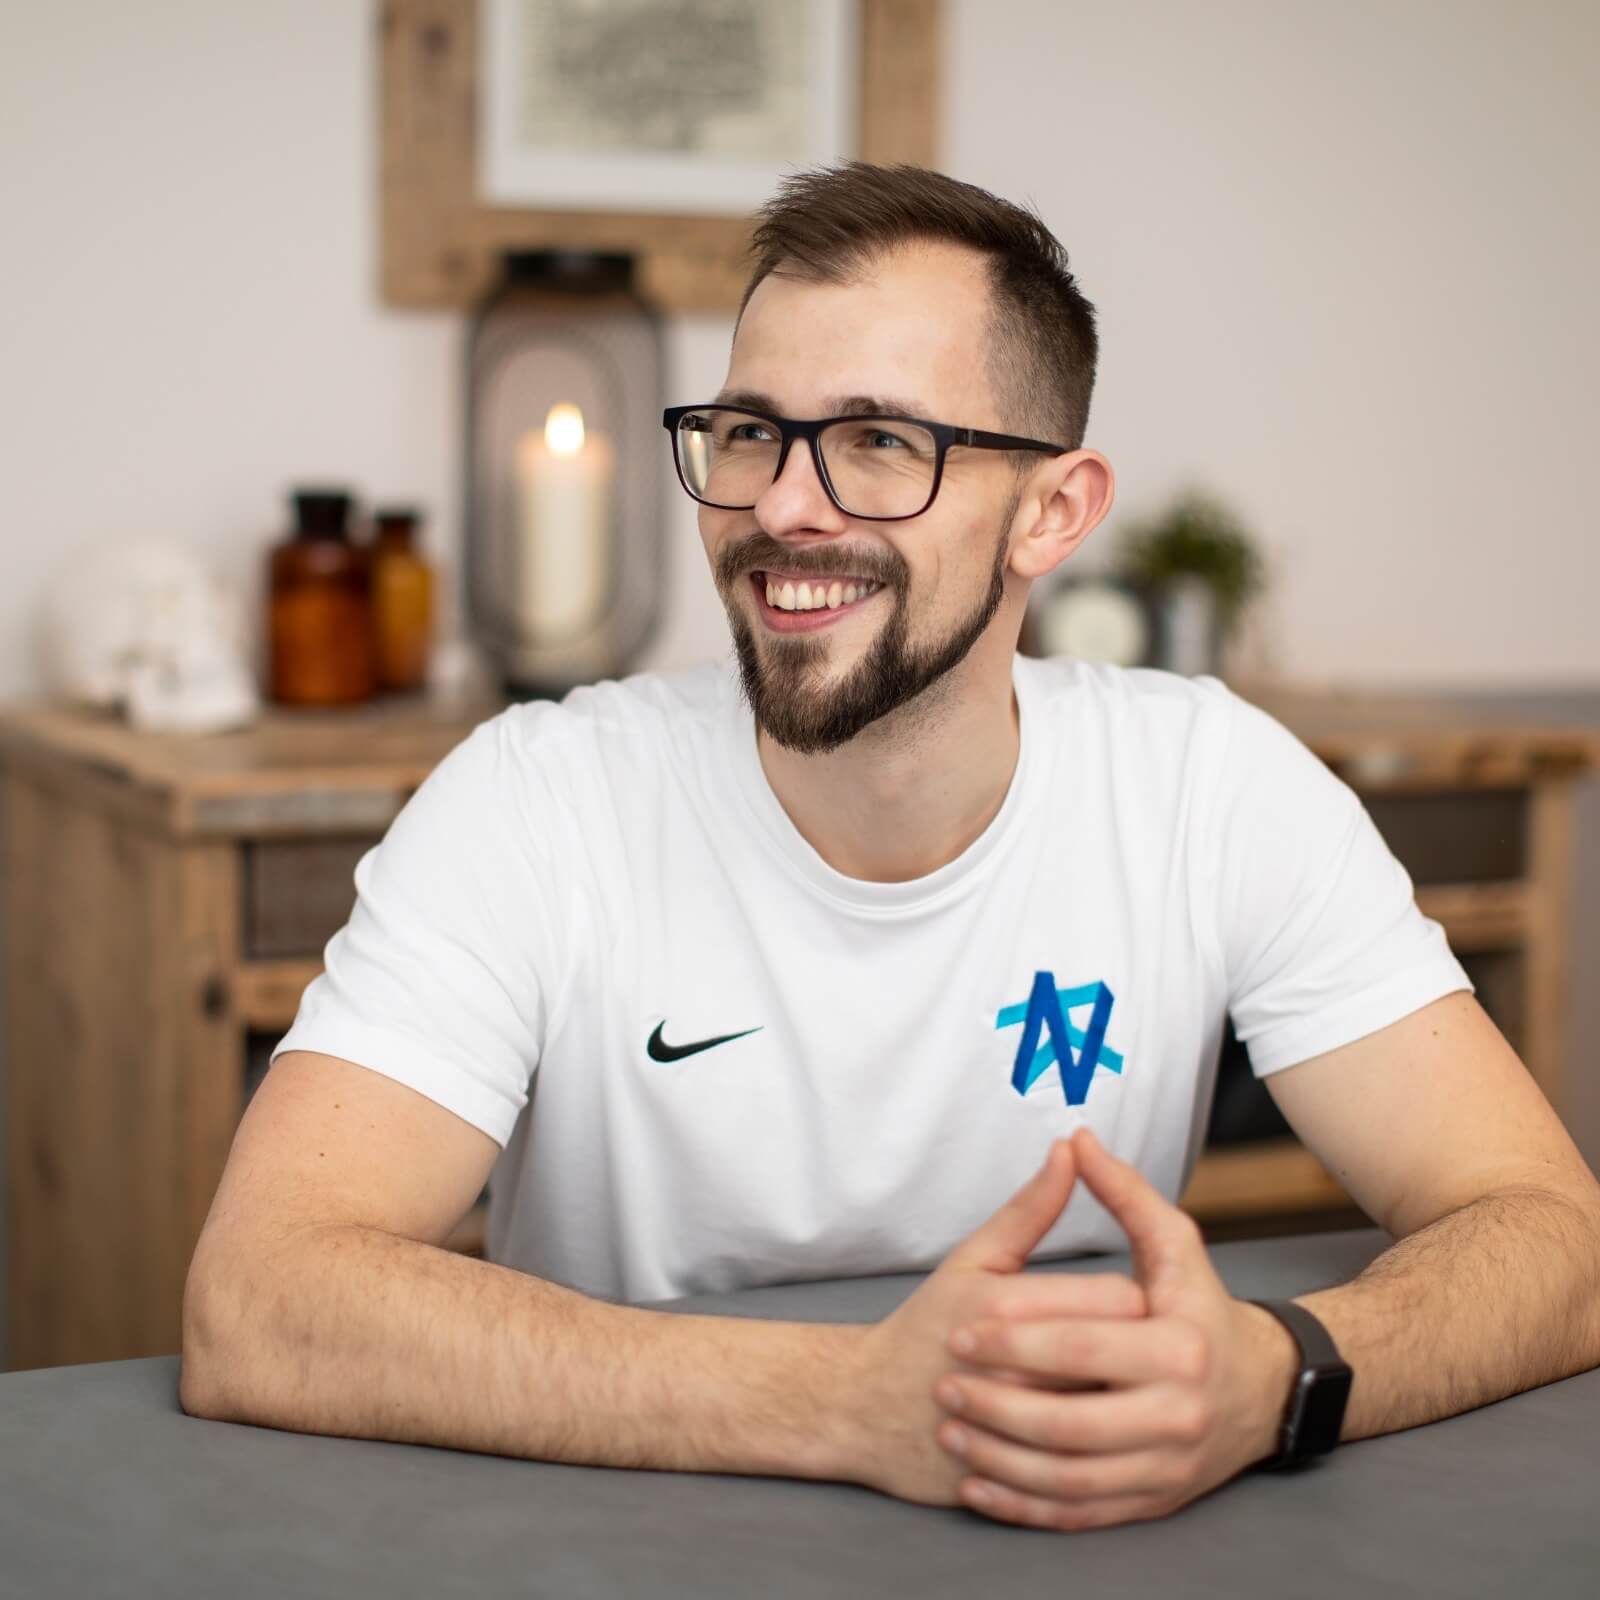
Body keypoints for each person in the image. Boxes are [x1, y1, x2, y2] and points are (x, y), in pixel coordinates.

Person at [180, 162, 1600, 1533]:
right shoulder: (535, 799)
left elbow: (1554, 1235)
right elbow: (260, 1298)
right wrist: (849, 1403)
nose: (782, 506)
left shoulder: (1210, 785)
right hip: (623, 1537)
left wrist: (1277, 1377)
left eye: (880, 443)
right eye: (750, 432)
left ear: (1052, 511)